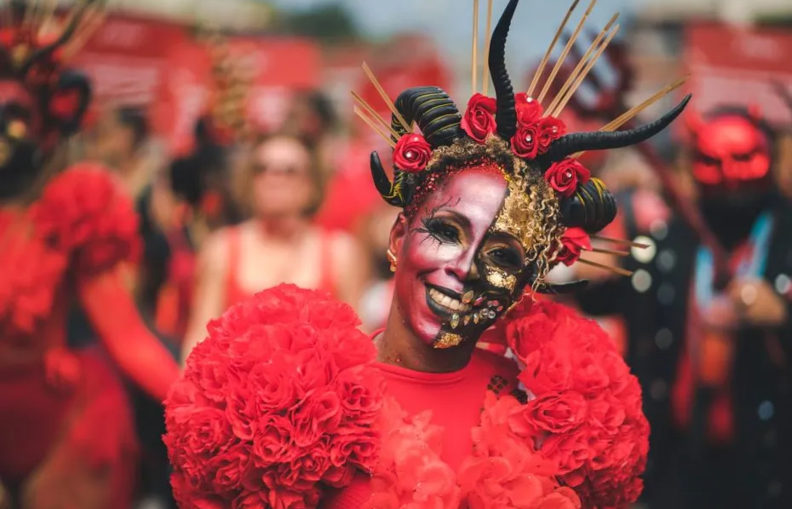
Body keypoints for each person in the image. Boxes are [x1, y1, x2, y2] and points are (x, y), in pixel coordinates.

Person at [164, 0, 690, 507]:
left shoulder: (545, 414)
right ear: (398, 237)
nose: (464, 269)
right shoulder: (302, 404)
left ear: (527, 282)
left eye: (504, 256)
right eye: (447, 230)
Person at [0, 4, 179, 508]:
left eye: (13, 115)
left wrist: (207, 408)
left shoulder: (70, 207)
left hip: (65, 431)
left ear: (44, 122)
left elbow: (128, 337)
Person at [575, 106, 792, 508]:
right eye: (712, 162)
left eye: (744, 159)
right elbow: (611, 298)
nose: (730, 176)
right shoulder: (672, 238)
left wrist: (781, 314)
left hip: (770, 465)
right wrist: (593, 268)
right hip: (675, 461)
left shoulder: (785, 242)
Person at [181, 132, 370, 359]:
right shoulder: (222, 248)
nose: (273, 178)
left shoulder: (341, 252)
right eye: (262, 169)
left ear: (310, 185)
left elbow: (359, 343)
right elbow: (198, 339)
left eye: (289, 171)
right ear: (250, 182)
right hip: (236, 390)